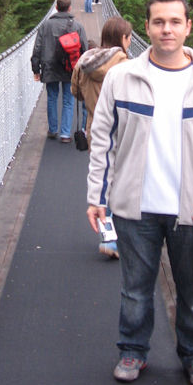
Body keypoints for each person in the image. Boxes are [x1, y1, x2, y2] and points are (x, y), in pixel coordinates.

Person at [86, 0, 193, 385]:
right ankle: (133, 351)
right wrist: (96, 196)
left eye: (175, 22)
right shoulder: (123, 77)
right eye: (159, 22)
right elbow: (102, 136)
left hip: (192, 207)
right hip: (133, 206)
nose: (167, 29)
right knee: (135, 289)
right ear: (146, 28)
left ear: (188, 27)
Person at [71, 17, 133, 259]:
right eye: (129, 37)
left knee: (102, 185)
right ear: (124, 39)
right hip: (122, 132)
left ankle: (109, 239)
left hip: (94, 129)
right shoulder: (126, 66)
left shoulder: (84, 62)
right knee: (122, 184)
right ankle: (121, 236)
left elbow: (75, 91)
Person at [31, 0, 88, 143]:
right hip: (70, 67)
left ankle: (52, 129)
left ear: (56, 8)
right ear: (69, 8)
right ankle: (65, 134)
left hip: (49, 66)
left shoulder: (45, 26)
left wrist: (35, 68)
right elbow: (85, 49)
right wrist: (83, 71)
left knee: (52, 97)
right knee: (69, 100)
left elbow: (37, 48)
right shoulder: (78, 26)